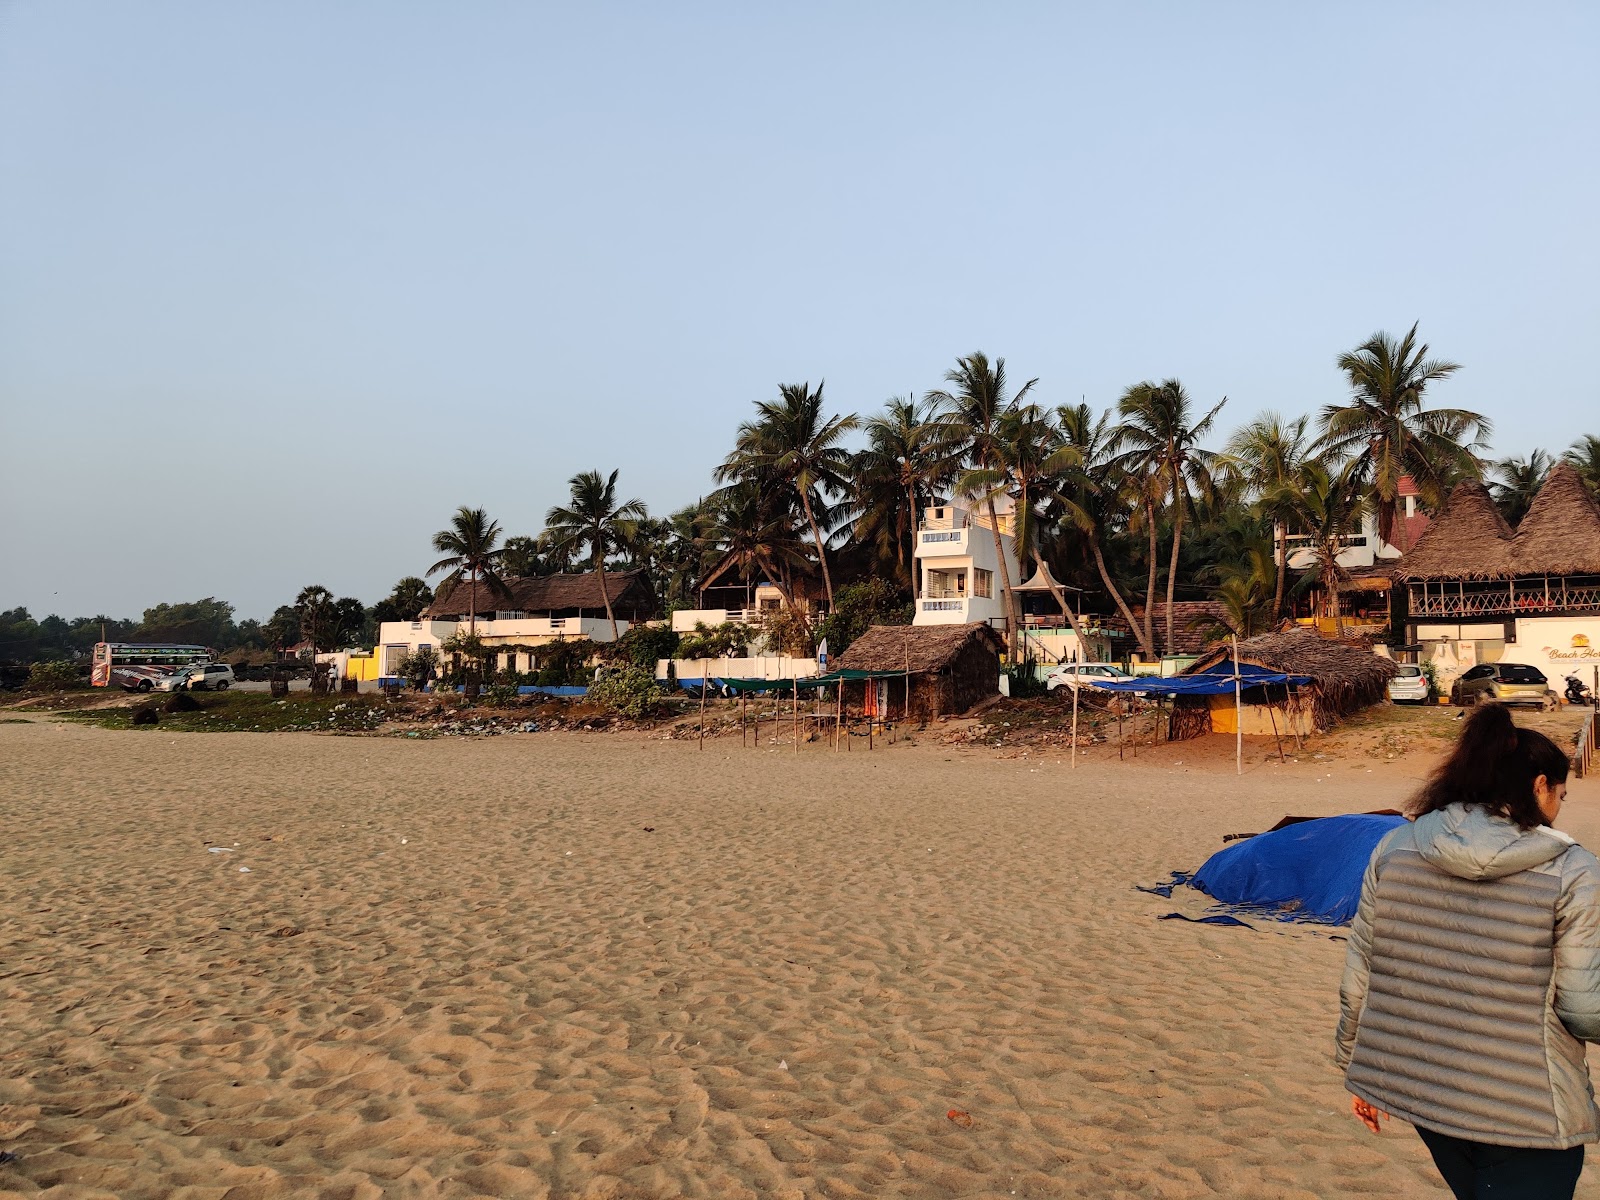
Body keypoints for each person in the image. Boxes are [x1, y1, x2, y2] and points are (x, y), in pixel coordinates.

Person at [1337, 702, 1599, 1199]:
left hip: (1430, 1099)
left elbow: (1360, 973)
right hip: (1528, 1113)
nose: (1559, 809)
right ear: (1539, 785)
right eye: (1560, 795)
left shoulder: (1395, 849)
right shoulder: (1574, 871)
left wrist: (1359, 1070)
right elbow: (1584, 1009)